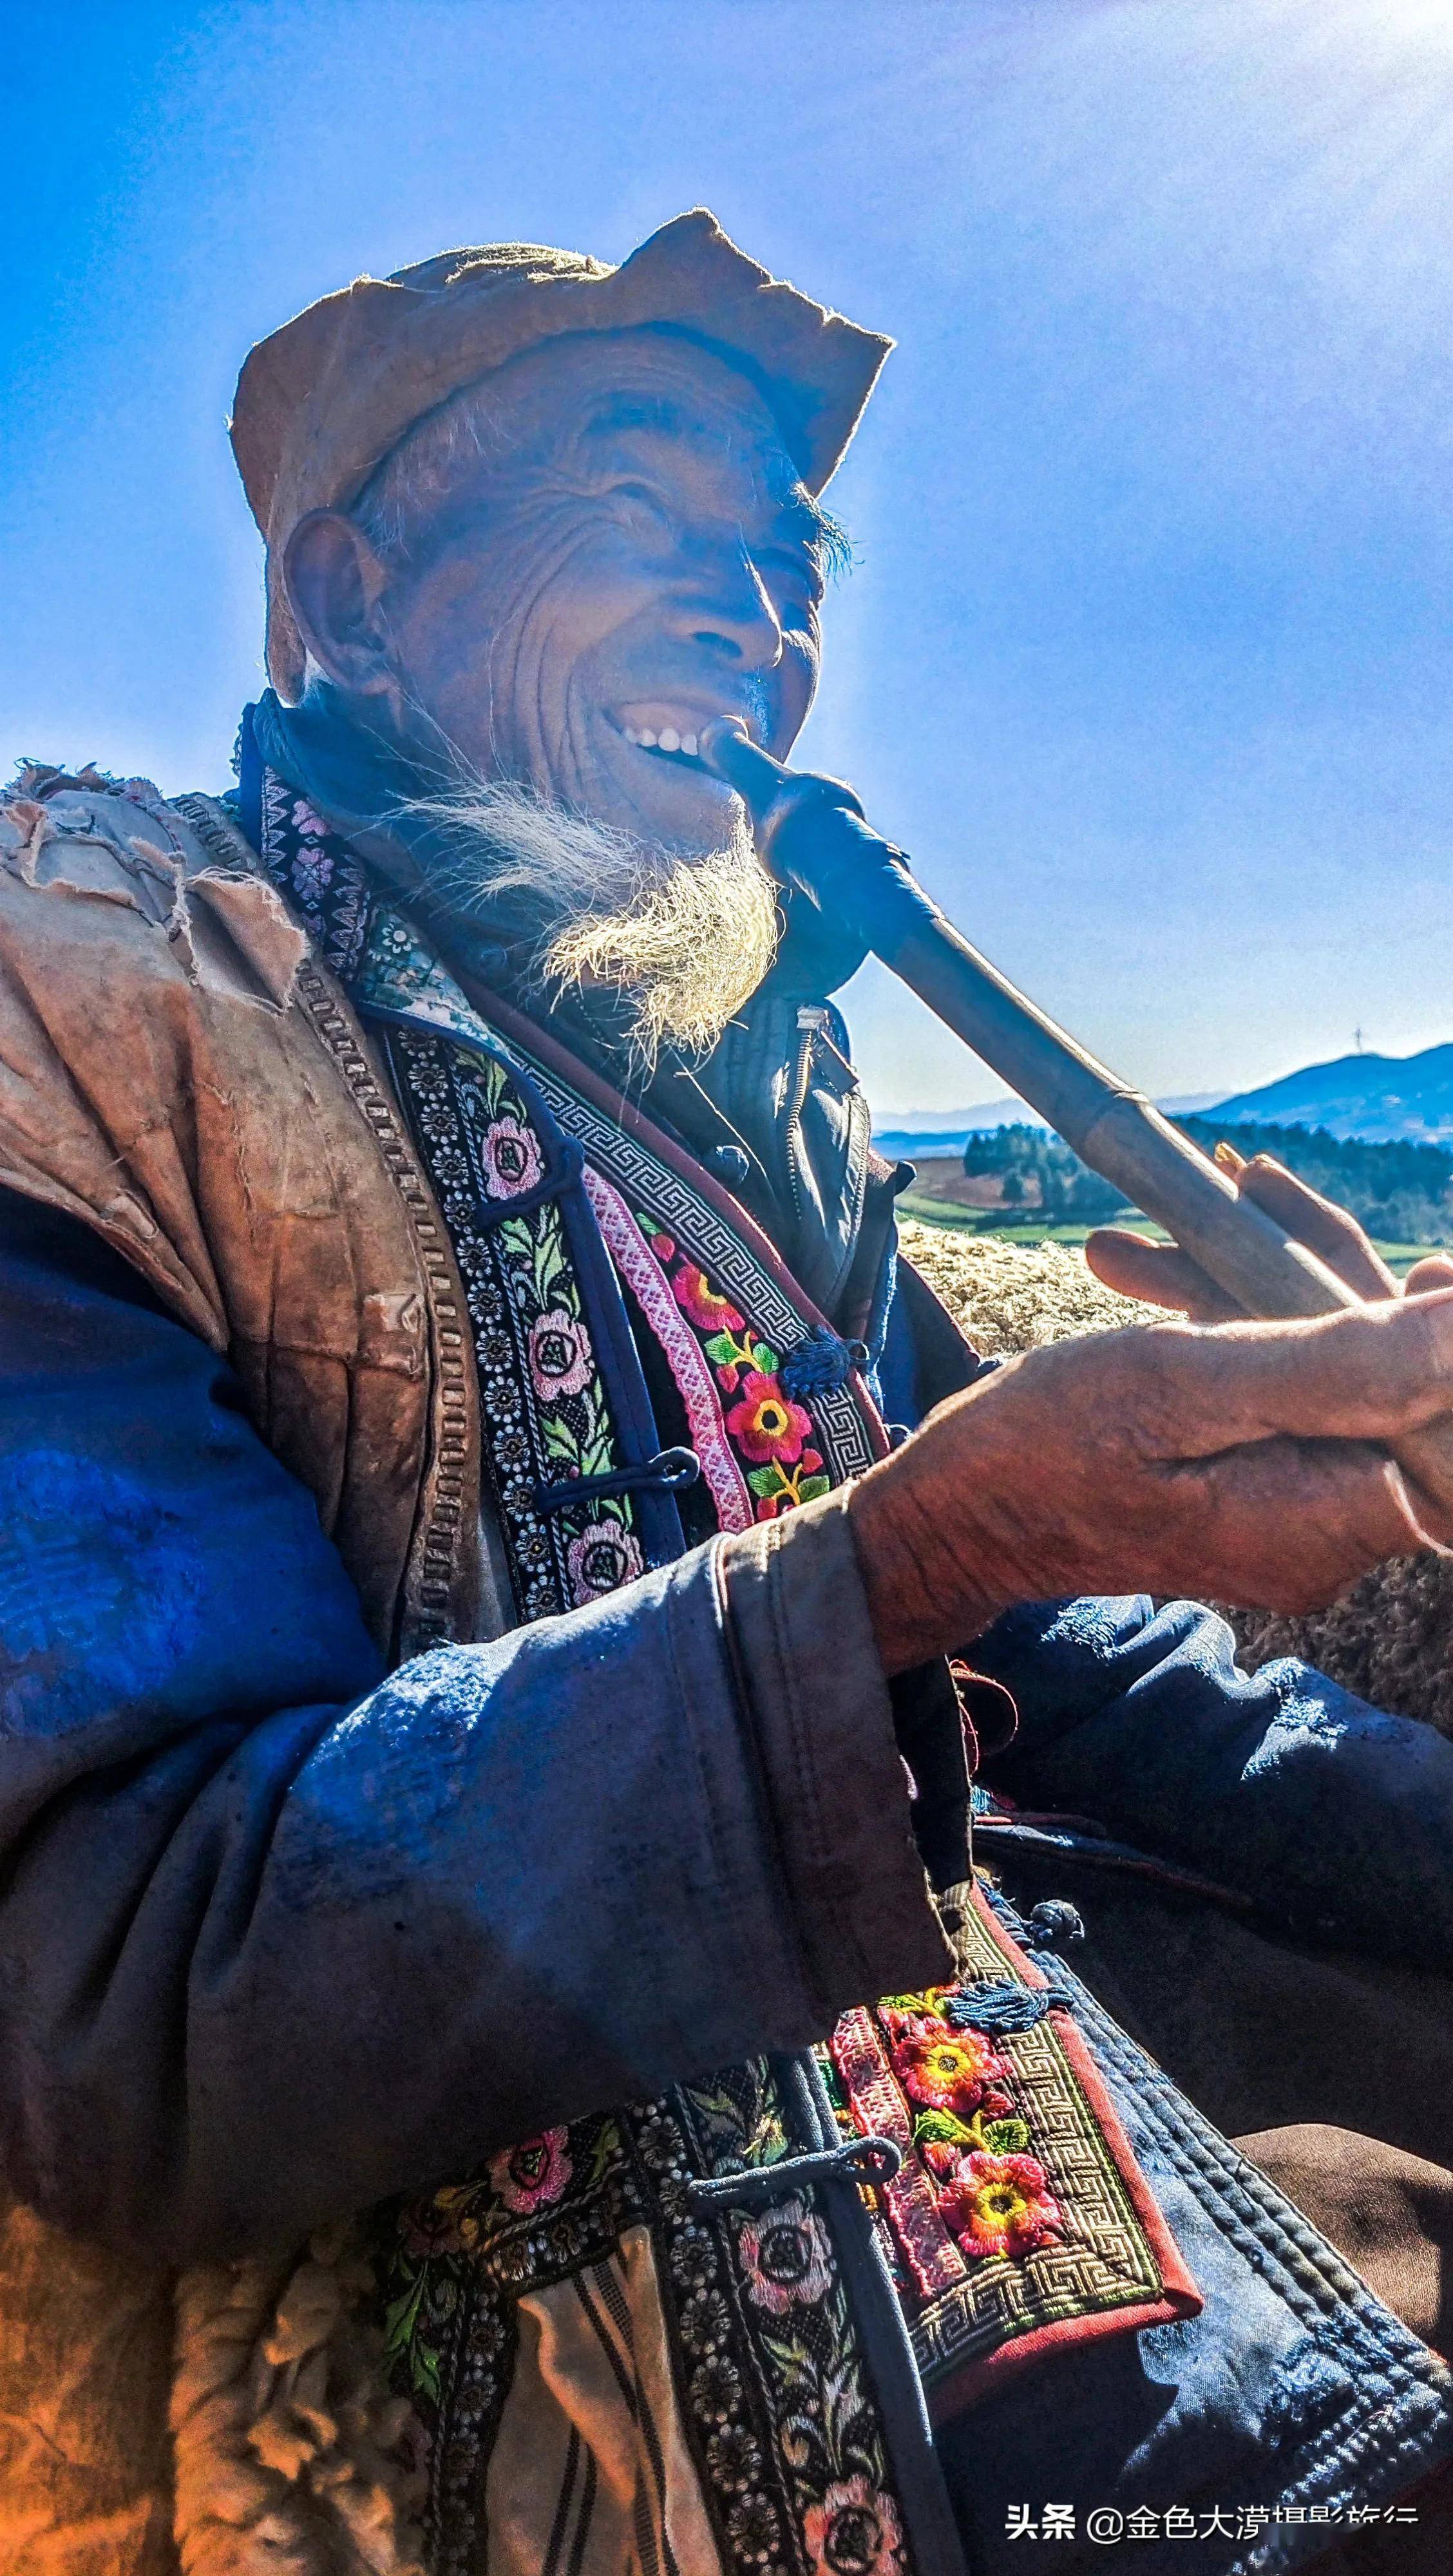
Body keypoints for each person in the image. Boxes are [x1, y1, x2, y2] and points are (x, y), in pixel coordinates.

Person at [2, 209, 1451, 2576]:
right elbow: (131, 1995)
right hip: (550, 2291)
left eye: (782, 569)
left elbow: (1071, 1647)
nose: (757, 629)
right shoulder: (94, 1017)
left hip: (1029, 2020)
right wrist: (919, 1551)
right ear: (355, 595)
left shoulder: (756, 1078)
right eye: (632, 515)